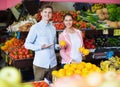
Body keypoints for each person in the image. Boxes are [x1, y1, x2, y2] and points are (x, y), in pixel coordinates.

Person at [24, 5, 57, 81]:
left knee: (52, 84)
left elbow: (54, 45)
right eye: (45, 12)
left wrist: (60, 46)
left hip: (53, 64)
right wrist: (40, 47)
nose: (47, 14)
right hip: (40, 65)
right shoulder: (35, 28)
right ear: (41, 13)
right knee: (39, 85)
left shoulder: (53, 28)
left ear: (52, 14)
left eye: (49, 12)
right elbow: (27, 44)